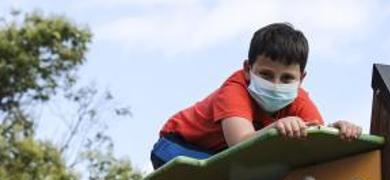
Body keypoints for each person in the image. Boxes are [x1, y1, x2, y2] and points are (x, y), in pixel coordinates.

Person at [150, 22, 362, 169]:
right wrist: (277, 127)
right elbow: (241, 143)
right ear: (247, 69)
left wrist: (337, 130)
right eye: (266, 74)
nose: (276, 85)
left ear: (301, 78)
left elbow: (316, 139)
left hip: (218, 157)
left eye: (287, 78)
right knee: (231, 174)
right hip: (176, 146)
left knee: (253, 174)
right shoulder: (234, 90)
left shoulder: (299, 100)